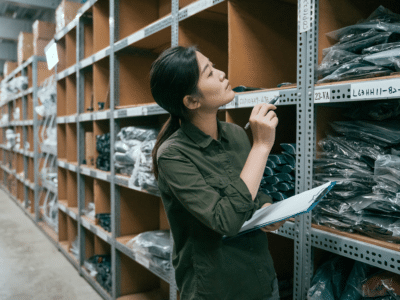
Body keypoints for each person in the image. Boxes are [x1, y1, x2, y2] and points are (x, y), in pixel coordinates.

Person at [150, 46, 286, 300]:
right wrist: (262, 146)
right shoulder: (172, 155)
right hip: (216, 288)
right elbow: (226, 221)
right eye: (210, 72)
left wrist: (269, 210)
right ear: (192, 101)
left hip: (261, 279)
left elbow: (251, 192)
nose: (222, 74)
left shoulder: (235, 134)